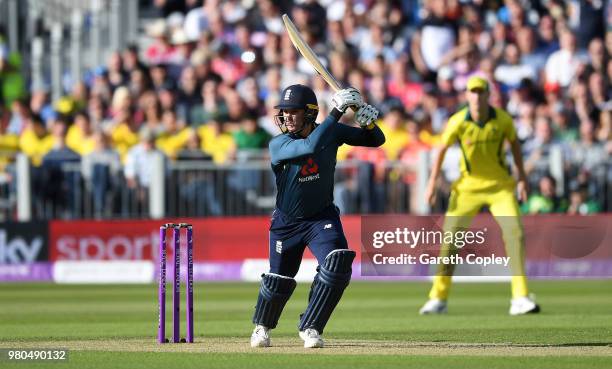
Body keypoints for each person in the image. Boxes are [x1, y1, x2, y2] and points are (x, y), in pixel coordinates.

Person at [250, 84, 384, 348]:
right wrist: (337, 110)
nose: (286, 116)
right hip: (286, 223)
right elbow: (311, 146)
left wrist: (367, 123)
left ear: (310, 113)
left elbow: (376, 141)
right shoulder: (278, 144)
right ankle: (261, 327)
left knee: (338, 264)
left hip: (321, 217)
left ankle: (310, 326)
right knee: (280, 280)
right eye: (284, 111)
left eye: (293, 111)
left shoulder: (330, 130)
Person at [420, 76, 540, 316]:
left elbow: (515, 147)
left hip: (500, 187)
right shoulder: (457, 122)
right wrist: (432, 183)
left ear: (488, 95)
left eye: (480, 92)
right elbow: (441, 150)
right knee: (449, 240)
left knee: (515, 234)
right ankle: (438, 297)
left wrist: (522, 179)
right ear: (466, 95)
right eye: (472, 92)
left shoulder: (503, 120)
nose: (476, 96)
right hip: (467, 189)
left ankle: (520, 296)